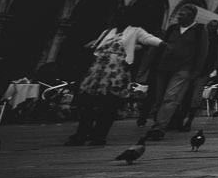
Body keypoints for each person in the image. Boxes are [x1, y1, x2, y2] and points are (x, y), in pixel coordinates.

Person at [67, 10, 162, 146]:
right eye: (117, 16)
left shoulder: (135, 32)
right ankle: (82, 133)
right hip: (97, 71)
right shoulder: (107, 32)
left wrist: (161, 45)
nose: (119, 19)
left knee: (109, 104)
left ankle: (99, 135)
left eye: (123, 16)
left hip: (117, 73)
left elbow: (148, 41)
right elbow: (96, 46)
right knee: (88, 103)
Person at [144, 4, 212, 140]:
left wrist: (196, 71)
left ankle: (159, 127)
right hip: (164, 67)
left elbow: (202, 52)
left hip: (184, 69)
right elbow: (159, 46)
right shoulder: (172, 28)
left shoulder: (199, 30)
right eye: (179, 14)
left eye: (183, 14)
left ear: (191, 16)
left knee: (171, 97)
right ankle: (159, 122)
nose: (179, 16)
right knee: (160, 98)